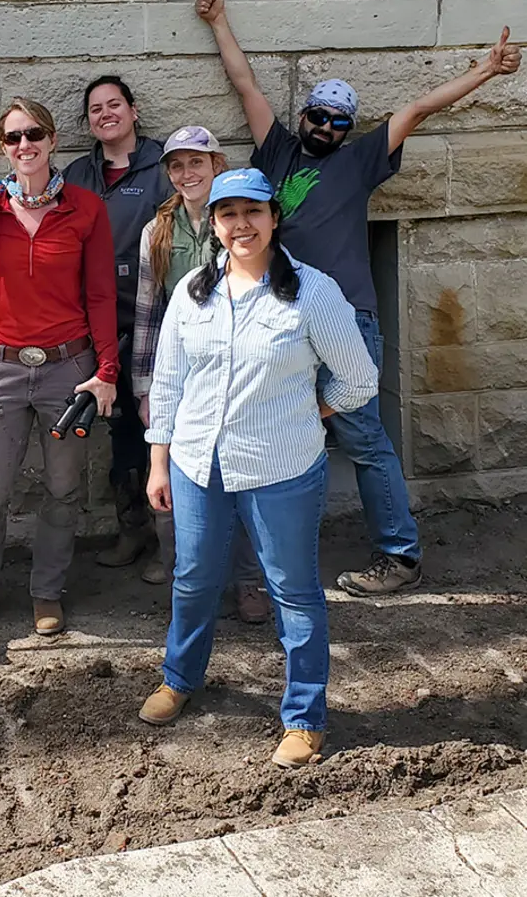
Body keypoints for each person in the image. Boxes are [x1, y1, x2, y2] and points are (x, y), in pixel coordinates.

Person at [196, 0, 522, 597]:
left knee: (364, 440)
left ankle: (400, 556)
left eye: (338, 121)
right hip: (281, 317)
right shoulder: (278, 151)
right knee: (279, 435)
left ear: (348, 129)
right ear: (303, 117)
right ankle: (271, 566)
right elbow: (245, 84)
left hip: (347, 321)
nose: (326, 127)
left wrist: (484, 72)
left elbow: (420, 109)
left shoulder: (361, 159)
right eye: (318, 115)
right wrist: (218, 22)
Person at [138, 168, 379, 768]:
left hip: (282, 467)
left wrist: (310, 410)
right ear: (214, 225)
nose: (240, 225)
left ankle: (304, 717)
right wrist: (158, 461)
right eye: (227, 215)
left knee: (293, 592)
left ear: (274, 217)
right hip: (198, 464)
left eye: (252, 212)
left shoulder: (311, 293)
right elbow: (168, 381)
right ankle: (179, 678)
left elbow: (360, 379)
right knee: (192, 579)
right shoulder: (193, 291)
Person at [0, 98, 119, 637]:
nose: (24, 146)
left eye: (34, 135)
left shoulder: (84, 207)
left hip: (66, 368)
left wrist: (108, 370)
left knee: (62, 488)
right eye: (13, 138)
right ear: (1, 147)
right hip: (2, 366)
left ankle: (46, 591)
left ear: (53, 141)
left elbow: (100, 294)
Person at [131, 126, 270, 625]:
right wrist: (144, 386)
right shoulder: (158, 232)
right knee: (172, 481)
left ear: (216, 164)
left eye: (197, 162)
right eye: (177, 166)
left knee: (244, 478)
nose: (187, 173)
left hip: (238, 369)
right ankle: (183, 580)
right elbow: (148, 311)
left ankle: (249, 581)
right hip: (181, 370)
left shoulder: (241, 224)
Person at [64, 77, 173, 567]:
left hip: (156, 323)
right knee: (121, 431)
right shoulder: (76, 175)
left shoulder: (163, 169)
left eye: (114, 105)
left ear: (133, 110)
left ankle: (173, 547)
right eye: (95, 109)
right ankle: (133, 531)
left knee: (163, 427)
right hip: (97, 327)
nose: (105, 114)